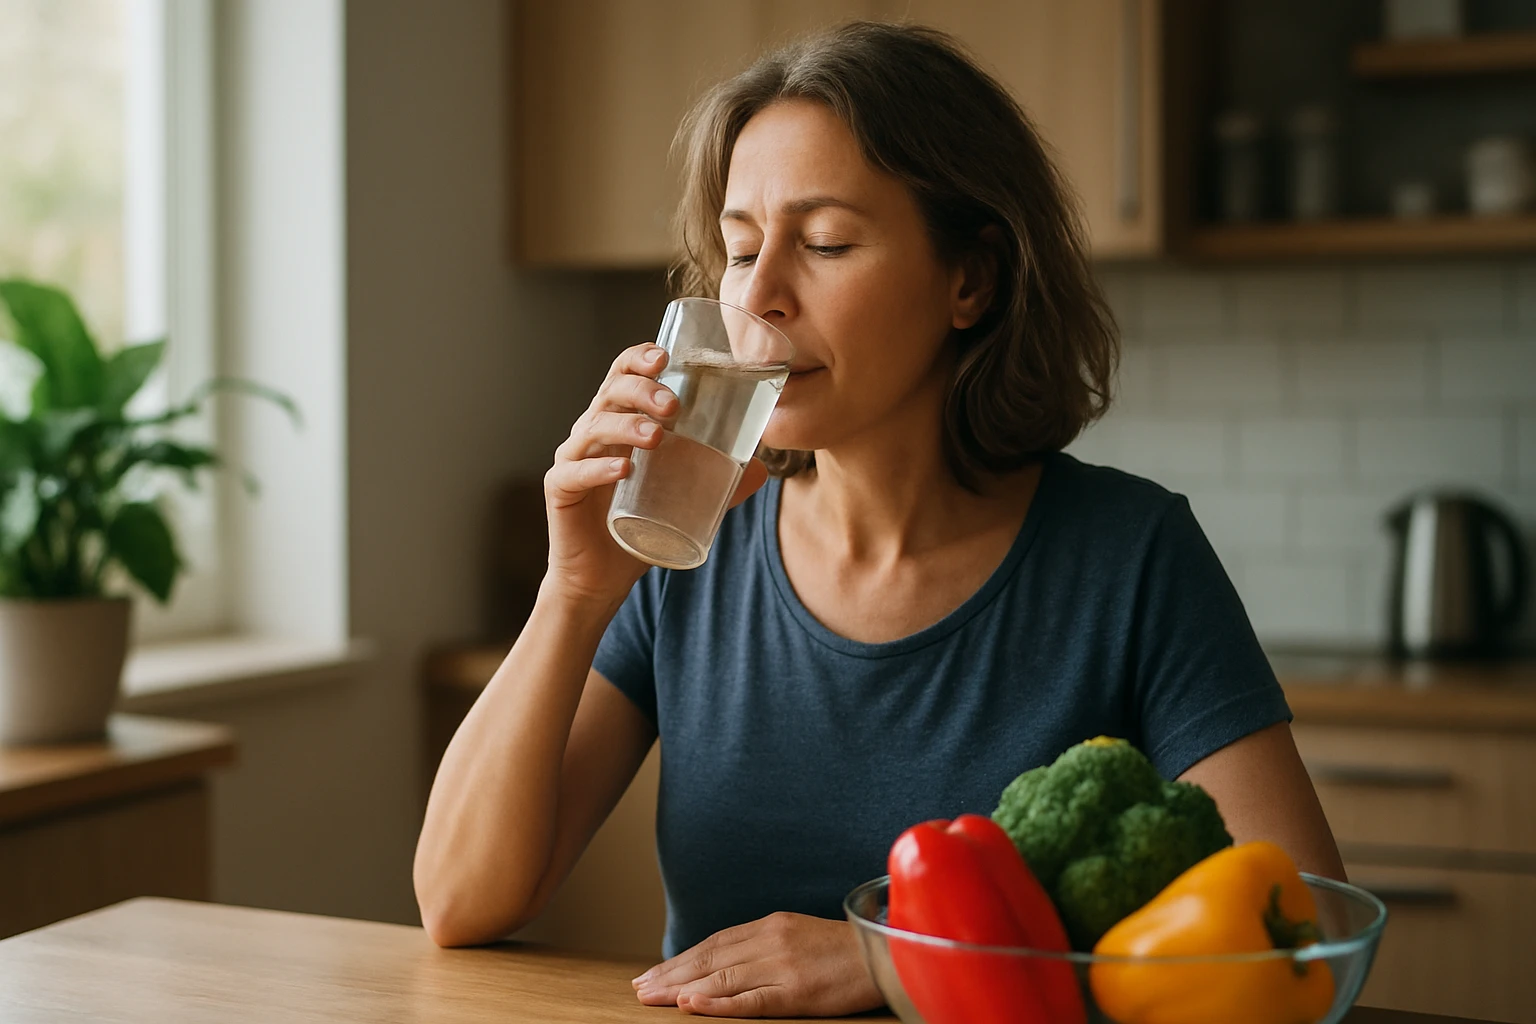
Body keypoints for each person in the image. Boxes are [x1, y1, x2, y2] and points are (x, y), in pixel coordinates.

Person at [414, 20, 1344, 1019]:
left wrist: (897, 959)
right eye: (739, 248)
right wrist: (575, 591)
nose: (760, 294)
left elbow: (1312, 931)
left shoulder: (1130, 556)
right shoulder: (693, 546)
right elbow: (460, 901)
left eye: (824, 243)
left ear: (970, 280)